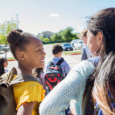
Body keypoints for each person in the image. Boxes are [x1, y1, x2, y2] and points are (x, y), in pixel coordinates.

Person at [39, 7, 115, 115]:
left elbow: (48, 109)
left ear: (99, 38)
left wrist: (75, 111)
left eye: (88, 37)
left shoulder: (87, 68)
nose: (86, 44)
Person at [6, 29, 46, 115]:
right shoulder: (32, 86)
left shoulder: (10, 76)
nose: (44, 54)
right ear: (21, 55)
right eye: (39, 50)